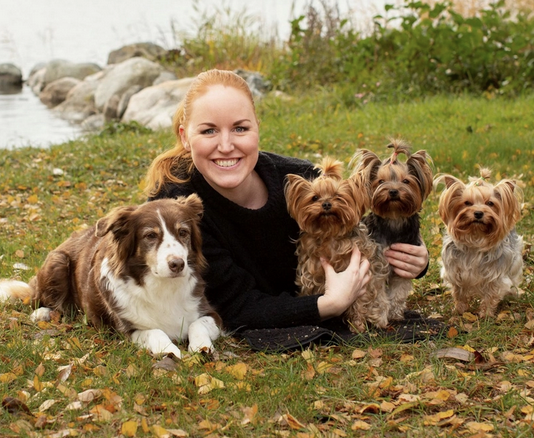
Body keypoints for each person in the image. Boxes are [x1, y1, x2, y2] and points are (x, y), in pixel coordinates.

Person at [144, 69, 428, 333]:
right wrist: (329, 304)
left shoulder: (301, 177)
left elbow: (356, 218)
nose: (226, 145)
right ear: (185, 137)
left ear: (257, 128)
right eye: (209, 131)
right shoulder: (174, 208)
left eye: (240, 128)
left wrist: (414, 255)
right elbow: (233, 308)